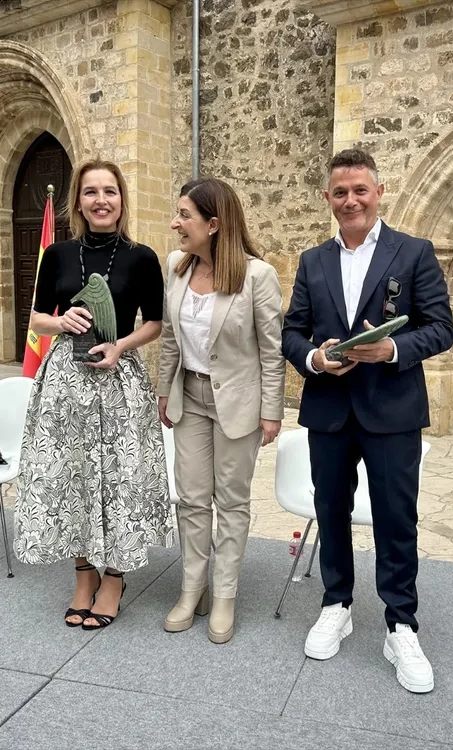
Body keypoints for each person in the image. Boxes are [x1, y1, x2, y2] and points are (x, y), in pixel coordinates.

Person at [281, 148, 453, 694]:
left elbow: (442, 328)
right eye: (340, 192)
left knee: (396, 519)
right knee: (330, 511)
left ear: (379, 192)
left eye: (360, 190)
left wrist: (392, 350)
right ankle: (336, 604)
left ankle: (401, 625)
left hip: (392, 408)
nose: (351, 200)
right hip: (329, 409)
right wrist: (315, 358)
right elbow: (292, 332)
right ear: (328, 198)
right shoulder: (313, 261)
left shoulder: (414, 252)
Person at [14, 158, 173, 630]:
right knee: (73, 477)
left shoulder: (142, 257)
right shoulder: (58, 254)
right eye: (91, 192)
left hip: (118, 378)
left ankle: (115, 579)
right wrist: (60, 321)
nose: (101, 200)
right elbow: (36, 318)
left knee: (120, 477)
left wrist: (121, 346)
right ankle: (84, 576)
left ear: (122, 200)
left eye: (110, 191)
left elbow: (156, 323)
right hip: (66, 382)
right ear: (78, 203)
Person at [157, 177, 286, 644]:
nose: (175, 224)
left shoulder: (257, 276)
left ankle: (225, 595)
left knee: (231, 501)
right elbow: (169, 337)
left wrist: (271, 411)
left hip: (238, 404)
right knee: (192, 498)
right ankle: (193, 589)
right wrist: (163, 391)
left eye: (184, 216)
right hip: (188, 398)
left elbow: (271, 351)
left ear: (213, 224)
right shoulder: (175, 267)